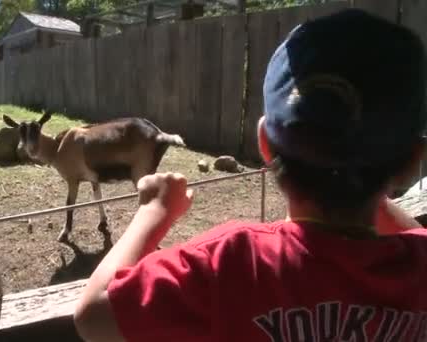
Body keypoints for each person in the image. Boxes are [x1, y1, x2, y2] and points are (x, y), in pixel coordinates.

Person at [73, 8, 427, 342]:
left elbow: (93, 315)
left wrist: (153, 212)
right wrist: (360, 176)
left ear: (265, 144)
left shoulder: (233, 262)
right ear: (414, 161)